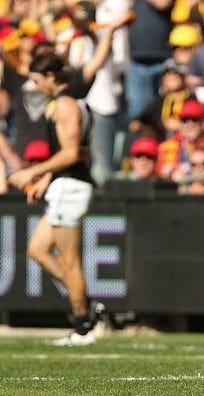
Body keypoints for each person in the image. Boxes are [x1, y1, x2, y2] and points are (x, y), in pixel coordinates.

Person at [7, 53, 104, 346]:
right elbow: (71, 154)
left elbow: (71, 153)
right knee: (37, 249)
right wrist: (46, 180)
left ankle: (82, 324)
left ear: (51, 77)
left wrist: (32, 172)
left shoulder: (64, 105)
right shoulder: (70, 103)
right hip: (64, 183)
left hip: (72, 187)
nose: (35, 87)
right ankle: (86, 303)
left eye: (37, 81)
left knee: (70, 261)